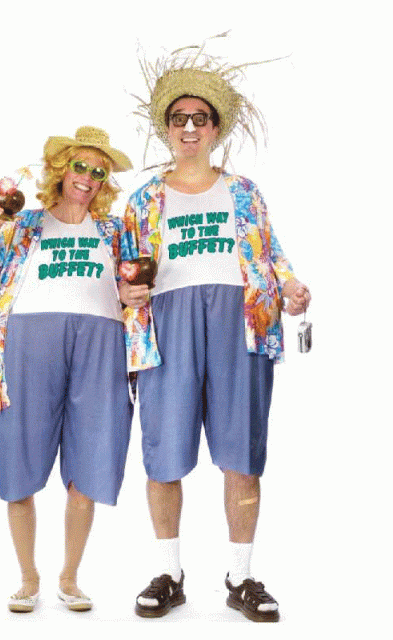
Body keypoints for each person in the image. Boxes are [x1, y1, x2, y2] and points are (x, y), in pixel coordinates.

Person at [119, 47, 311, 622]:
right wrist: (126, 292)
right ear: (166, 129)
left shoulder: (244, 191)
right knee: (163, 456)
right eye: (179, 119)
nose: (189, 128)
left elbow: (272, 255)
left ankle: (241, 576)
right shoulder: (144, 199)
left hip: (241, 323)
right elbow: (122, 273)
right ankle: (169, 573)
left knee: (242, 456)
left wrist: (292, 286)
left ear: (215, 128)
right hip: (166, 326)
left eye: (199, 119)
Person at [0, 126, 133, 613]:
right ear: (61, 170)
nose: (88, 177)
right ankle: (28, 578)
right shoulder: (22, 224)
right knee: (18, 455)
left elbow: (130, 289)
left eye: (98, 171)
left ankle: (70, 577)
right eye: (80, 166)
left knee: (91, 458)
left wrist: (131, 294)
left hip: (100, 344)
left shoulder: (114, 231)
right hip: (26, 340)